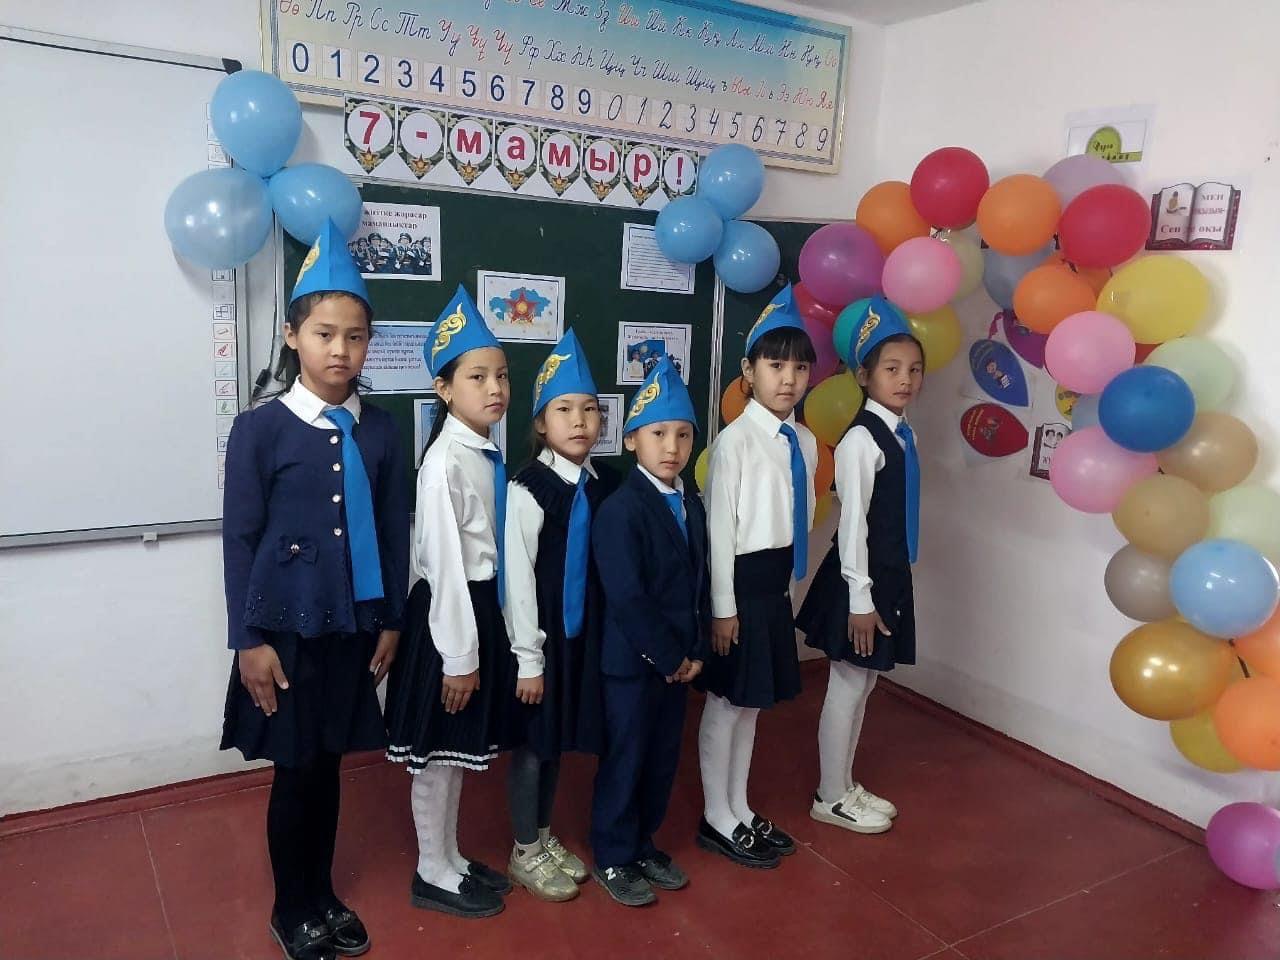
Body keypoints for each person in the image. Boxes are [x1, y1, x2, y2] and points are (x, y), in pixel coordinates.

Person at [221, 219, 409, 960]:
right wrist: (248, 640)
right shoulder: (260, 430)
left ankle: (323, 895)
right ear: (293, 337)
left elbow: (391, 530)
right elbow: (240, 541)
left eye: (355, 337)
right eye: (325, 334)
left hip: (352, 627)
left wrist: (391, 618)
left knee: (331, 766)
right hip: (285, 632)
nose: (340, 350)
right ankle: (289, 906)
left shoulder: (381, 430)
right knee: (295, 770)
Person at [384, 285, 516, 919]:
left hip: (478, 610)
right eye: (476, 377)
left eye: (501, 375)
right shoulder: (444, 464)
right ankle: (429, 870)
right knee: (435, 758)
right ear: (444, 389)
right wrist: (459, 658)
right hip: (448, 620)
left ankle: (452, 857)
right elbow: (441, 567)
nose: (494, 388)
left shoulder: (483, 450)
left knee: (457, 751)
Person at [697, 285, 817, 869]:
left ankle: (739, 805)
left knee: (753, 704)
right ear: (748, 371)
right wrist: (723, 608)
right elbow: (720, 532)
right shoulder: (735, 443)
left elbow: (802, 522)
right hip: (739, 585)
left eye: (800, 368)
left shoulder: (806, 442)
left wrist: (789, 591)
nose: (788, 379)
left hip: (775, 584)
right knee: (726, 702)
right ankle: (714, 815)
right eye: (775, 365)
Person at [797, 297, 924, 836]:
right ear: (863, 375)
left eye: (914, 369)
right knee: (847, 684)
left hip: (887, 575)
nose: (905, 379)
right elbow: (851, 527)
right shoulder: (860, 440)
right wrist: (860, 600)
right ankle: (829, 796)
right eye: (891, 369)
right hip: (860, 581)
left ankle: (844, 783)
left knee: (865, 684)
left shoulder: (900, 432)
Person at [589, 357, 709, 908]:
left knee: (662, 758)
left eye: (683, 435)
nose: (671, 447)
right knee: (628, 756)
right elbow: (627, 596)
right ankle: (613, 852)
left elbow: (701, 581)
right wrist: (667, 656)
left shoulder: (691, 502)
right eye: (658, 434)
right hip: (635, 663)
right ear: (631, 440)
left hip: (678, 659)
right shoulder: (621, 509)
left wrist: (695, 649)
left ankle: (643, 842)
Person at [502, 330, 618, 901]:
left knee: (558, 742)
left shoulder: (603, 486)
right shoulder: (528, 487)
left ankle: (544, 837)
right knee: (534, 744)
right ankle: (523, 849)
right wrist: (529, 657)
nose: (579, 421)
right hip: (541, 636)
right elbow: (517, 580)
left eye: (589, 410)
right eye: (564, 410)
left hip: (582, 638)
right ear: (542, 424)